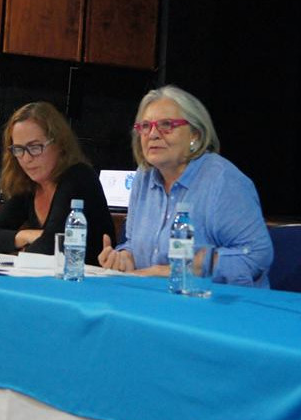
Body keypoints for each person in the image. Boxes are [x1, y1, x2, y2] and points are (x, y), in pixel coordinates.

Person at [98, 85, 273, 287]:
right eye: (145, 126)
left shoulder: (222, 180)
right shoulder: (143, 177)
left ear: (195, 135)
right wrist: (125, 257)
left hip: (217, 307)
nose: (153, 134)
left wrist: (188, 269)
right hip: (154, 300)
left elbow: (257, 255)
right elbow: (132, 243)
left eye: (166, 125)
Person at [0, 101, 115, 262]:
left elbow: (51, 246)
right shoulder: (29, 184)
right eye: (18, 149)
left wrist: (21, 248)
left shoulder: (78, 176)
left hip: (88, 282)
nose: (26, 158)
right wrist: (26, 235)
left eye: (35, 147)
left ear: (58, 143)